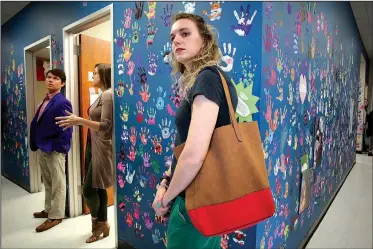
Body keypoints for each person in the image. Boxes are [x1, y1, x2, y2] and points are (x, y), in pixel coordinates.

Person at [152, 13, 238, 249]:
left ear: (205, 41)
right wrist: (165, 181)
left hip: (194, 200)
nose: (176, 41)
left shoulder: (208, 78)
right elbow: (184, 146)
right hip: (205, 196)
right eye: (173, 37)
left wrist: (166, 200)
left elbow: (193, 154)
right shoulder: (205, 80)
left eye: (185, 33)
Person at [55, 63, 113, 243]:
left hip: (101, 147)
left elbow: (106, 127)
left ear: (103, 75)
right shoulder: (101, 95)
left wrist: (79, 120)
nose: (93, 76)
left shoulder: (108, 95)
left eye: (95, 73)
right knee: (98, 187)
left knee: (88, 190)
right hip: (92, 144)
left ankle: (99, 222)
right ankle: (100, 225)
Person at [30, 69, 73, 232]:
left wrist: (58, 148)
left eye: (55, 79)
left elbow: (67, 129)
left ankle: (55, 216)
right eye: (48, 77)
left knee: (58, 183)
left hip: (54, 149)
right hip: (43, 146)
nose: (50, 80)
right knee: (48, 182)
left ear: (62, 84)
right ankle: (48, 209)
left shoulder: (62, 102)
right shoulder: (46, 99)